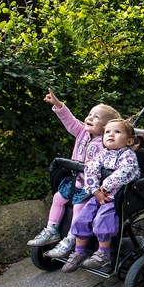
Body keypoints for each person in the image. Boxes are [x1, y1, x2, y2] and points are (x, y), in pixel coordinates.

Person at [27, 88, 121, 259]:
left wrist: (94, 164)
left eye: (96, 117)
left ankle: (71, 238)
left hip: (90, 186)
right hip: (74, 180)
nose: (89, 118)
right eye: (90, 114)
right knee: (57, 198)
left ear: (107, 127)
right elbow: (69, 120)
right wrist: (57, 104)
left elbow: (112, 160)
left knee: (79, 207)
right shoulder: (81, 132)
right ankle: (52, 230)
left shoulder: (108, 143)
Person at [61, 118, 143, 272]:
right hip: (99, 195)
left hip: (118, 197)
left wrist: (105, 186)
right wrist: (95, 190)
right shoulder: (102, 154)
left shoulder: (128, 155)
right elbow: (90, 169)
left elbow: (125, 172)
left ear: (129, 141)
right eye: (107, 132)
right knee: (83, 217)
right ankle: (79, 252)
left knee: (103, 219)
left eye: (117, 132)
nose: (111, 135)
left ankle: (103, 253)